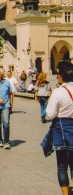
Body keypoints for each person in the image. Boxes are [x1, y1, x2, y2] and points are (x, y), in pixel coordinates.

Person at [43, 60, 73, 195]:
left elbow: (50, 114)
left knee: (62, 165)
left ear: (60, 75)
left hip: (61, 128)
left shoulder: (58, 92)